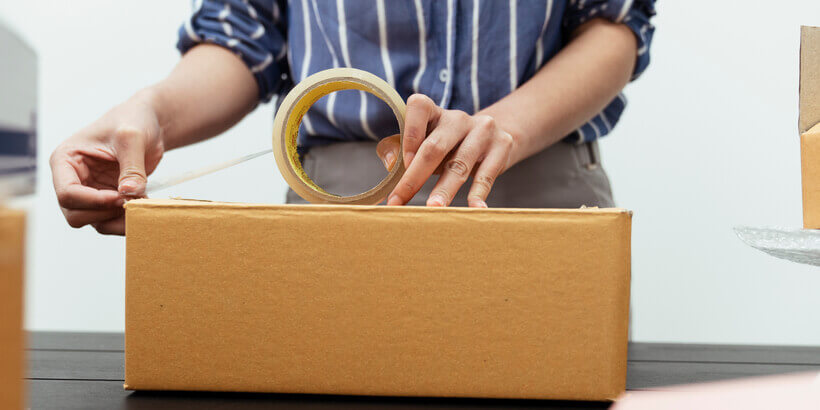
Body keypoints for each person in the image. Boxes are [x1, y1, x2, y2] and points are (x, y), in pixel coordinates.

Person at [50, 0, 655, 235]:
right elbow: (244, 34)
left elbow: (616, 19)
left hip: (535, 198)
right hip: (334, 210)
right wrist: (150, 112)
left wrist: (510, 127)